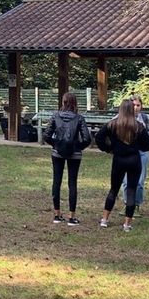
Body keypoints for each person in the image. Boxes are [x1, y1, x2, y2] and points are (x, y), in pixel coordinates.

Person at [95, 99, 149, 231]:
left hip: (119, 159)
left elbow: (99, 137)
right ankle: (127, 224)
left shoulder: (113, 124)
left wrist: (108, 148)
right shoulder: (138, 126)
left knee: (113, 189)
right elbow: (148, 145)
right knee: (131, 190)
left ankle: (104, 219)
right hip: (134, 159)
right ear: (132, 110)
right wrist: (138, 146)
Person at [42, 92, 92, 226]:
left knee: (56, 181)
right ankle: (72, 216)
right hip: (74, 153)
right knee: (72, 183)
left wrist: (56, 144)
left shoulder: (55, 116)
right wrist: (78, 147)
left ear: (63, 102)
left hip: (57, 152)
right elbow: (87, 138)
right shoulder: (79, 118)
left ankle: (57, 214)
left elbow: (46, 135)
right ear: (75, 103)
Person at [121, 95, 149, 217]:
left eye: (138, 105)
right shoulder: (121, 117)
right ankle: (127, 204)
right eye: (133, 105)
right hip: (126, 152)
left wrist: (147, 139)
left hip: (142, 153)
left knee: (139, 181)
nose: (136, 108)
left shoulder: (146, 118)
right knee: (126, 181)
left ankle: (136, 204)